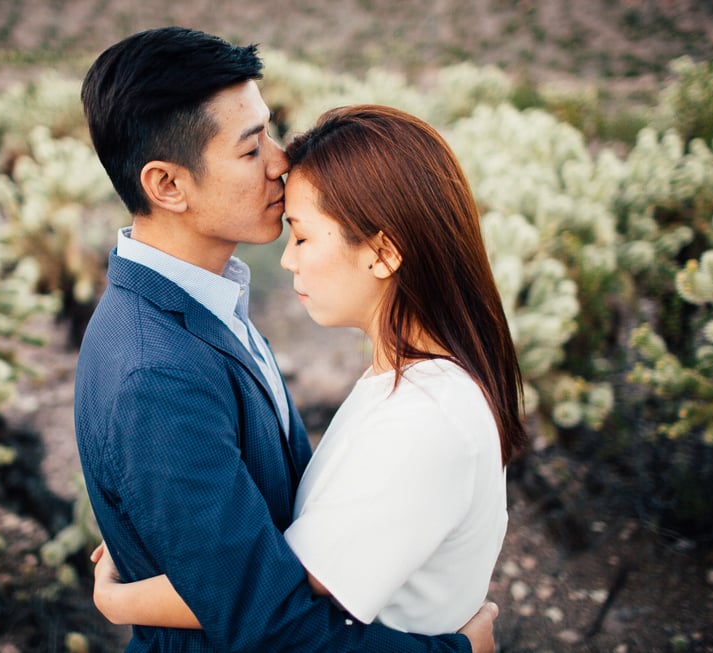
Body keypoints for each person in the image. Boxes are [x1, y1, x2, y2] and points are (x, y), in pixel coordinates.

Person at [74, 25, 499, 653]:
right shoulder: (154, 371)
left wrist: (139, 584)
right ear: (167, 186)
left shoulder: (206, 301)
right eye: (250, 150)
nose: (280, 161)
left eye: (269, 131)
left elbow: (258, 547)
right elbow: (268, 626)